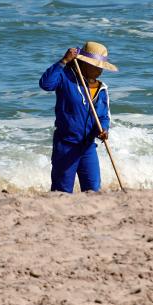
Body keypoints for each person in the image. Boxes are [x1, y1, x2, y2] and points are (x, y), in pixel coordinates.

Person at [38, 41, 118, 193]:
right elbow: (46, 84)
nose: (99, 70)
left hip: (88, 147)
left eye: (101, 66)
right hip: (66, 145)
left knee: (93, 190)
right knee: (62, 191)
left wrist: (104, 130)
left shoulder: (101, 89)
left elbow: (104, 117)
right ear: (83, 63)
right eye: (95, 65)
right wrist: (63, 61)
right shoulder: (65, 78)